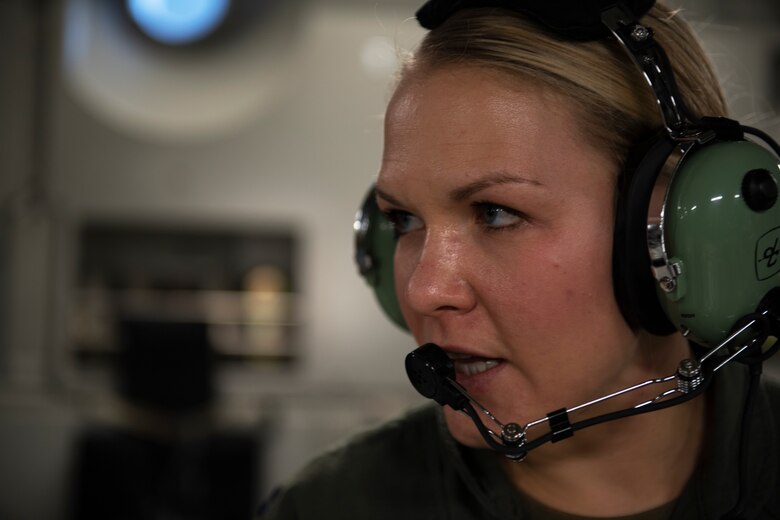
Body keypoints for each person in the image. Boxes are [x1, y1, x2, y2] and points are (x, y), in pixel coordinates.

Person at [259, 1, 780, 518]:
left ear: (677, 233)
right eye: (403, 221)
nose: (423, 290)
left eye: (496, 213)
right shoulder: (329, 505)